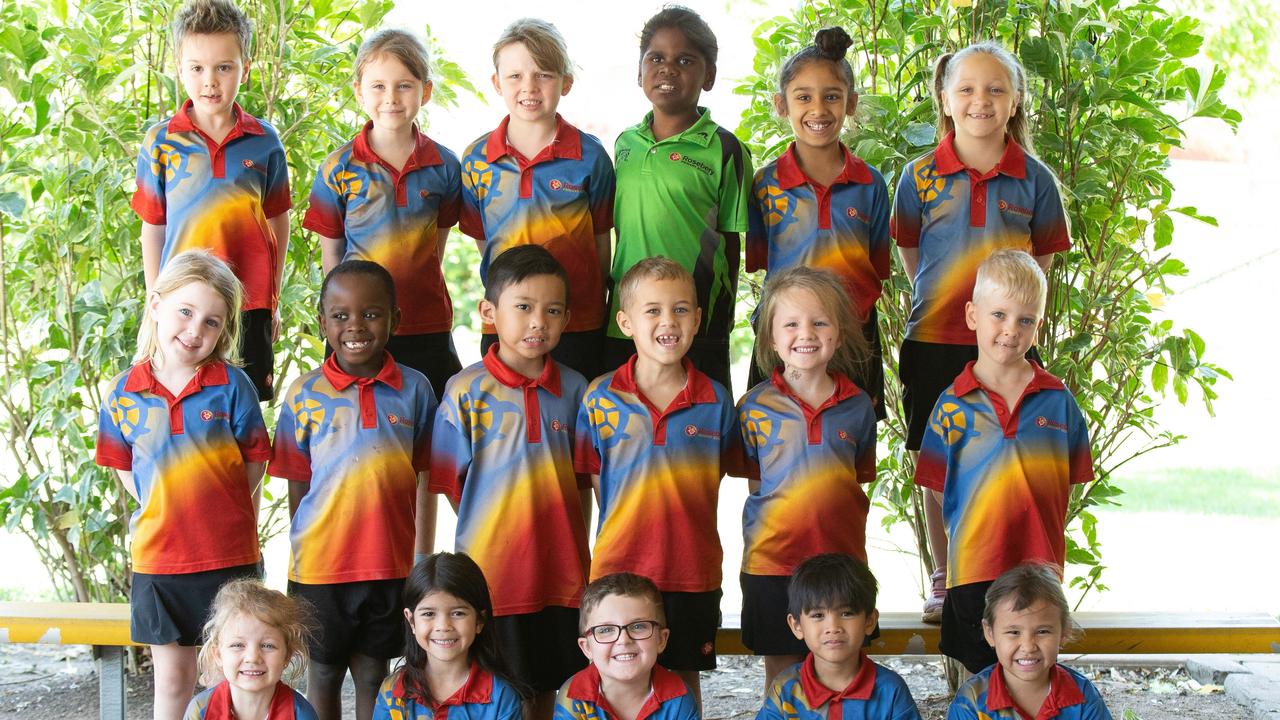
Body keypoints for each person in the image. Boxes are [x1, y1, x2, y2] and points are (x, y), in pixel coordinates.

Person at [891, 40, 1072, 622]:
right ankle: (948, 577)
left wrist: (1005, 316)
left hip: (1007, 349)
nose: (981, 101)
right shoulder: (917, 177)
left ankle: (1018, 580)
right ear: (945, 98)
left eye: (996, 89)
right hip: (934, 341)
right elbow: (912, 251)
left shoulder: (1035, 180)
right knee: (938, 463)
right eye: (967, 89)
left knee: (1006, 462)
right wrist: (954, 306)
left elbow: (1037, 267)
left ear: (1015, 100)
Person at [95, 250, 270, 720]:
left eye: (212, 322)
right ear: (156, 304)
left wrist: (223, 512)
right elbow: (126, 468)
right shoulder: (122, 392)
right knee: (173, 683)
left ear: (225, 329)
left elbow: (253, 463)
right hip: (160, 562)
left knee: (232, 684)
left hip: (228, 560)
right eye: (186, 312)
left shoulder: (233, 386)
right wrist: (169, 504)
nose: (196, 331)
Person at [269, 261, 438, 720]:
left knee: (373, 674)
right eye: (340, 316)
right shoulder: (304, 394)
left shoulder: (416, 390)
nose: (355, 326)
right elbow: (297, 484)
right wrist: (302, 552)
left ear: (395, 320)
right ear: (322, 323)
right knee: (322, 673)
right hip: (322, 568)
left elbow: (422, 474)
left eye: (371, 314)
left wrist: (420, 556)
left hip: (388, 564)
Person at [429, 245, 591, 720]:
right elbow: (453, 484)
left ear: (566, 319)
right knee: (498, 692)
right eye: (523, 307)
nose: (537, 322)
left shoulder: (579, 390)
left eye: (552, 310)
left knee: (548, 685)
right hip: (493, 577)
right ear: (488, 312)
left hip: (562, 575)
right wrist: (496, 523)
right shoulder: (465, 391)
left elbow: (583, 482)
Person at [915, 249, 1093, 676]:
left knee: (1032, 673)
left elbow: (1069, 480)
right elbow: (936, 492)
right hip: (974, 572)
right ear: (973, 315)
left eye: (1025, 319)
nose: (1011, 330)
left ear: (1039, 324)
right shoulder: (950, 405)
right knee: (984, 683)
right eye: (999, 315)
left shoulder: (1058, 401)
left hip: (1039, 572)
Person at [575, 257, 736, 708]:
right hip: (618, 569)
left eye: (682, 309)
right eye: (653, 310)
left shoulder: (716, 401)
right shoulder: (599, 398)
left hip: (692, 571)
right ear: (625, 322)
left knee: (683, 680)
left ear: (699, 318)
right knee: (614, 678)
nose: (669, 321)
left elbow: (717, 475)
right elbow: (594, 479)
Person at [132, 0, 291, 401]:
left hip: (248, 302)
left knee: (243, 411)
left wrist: (271, 301)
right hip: (184, 306)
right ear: (179, 68)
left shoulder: (265, 141)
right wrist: (158, 303)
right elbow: (153, 230)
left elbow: (277, 224)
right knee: (184, 404)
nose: (210, 81)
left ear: (245, 68)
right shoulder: (161, 142)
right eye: (197, 68)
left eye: (224, 67)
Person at [727, 267, 876, 692]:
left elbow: (858, 478)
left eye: (819, 322)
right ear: (772, 340)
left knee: (842, 671)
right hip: (773, 565)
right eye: (790, 323)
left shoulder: (859, 407)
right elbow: (754, 483)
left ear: (839, 334)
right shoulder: (753, 408)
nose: (805, 333)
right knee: (783, 675)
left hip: (842, 562)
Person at [303, 28, 463, 400]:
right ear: (359, 91)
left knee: (431, 420)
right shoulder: (338, 168)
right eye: (378, 86)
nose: (391, 98)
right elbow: (333, 257)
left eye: (404, 86)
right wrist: (340, 318)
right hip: (357, 327)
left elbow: (435, 249)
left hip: (426, 321)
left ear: (425, 90)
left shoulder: (445, 166)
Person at [603, 5, 753, 392]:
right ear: (640, 73)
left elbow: (732, 242)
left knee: (701, 424)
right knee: (625, 426)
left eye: (685, 60)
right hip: (627, 320)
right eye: (656, 58)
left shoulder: (725, 149)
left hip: (693, 323)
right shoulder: (625, 144)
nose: (668, 68)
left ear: (710, 75)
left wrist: (716, 323)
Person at [745, 27, 889, 419]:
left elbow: (876, 268)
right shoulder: (765, 184)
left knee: (851, 441)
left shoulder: (871, 184)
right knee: (775, 434)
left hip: (856, 335)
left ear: (852, 102)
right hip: (785, 335)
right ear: (781, 104)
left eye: (832, 96)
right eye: (803, 97)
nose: (819, 110)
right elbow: (764, 266)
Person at [459, 18, 614, 381]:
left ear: (566, 82)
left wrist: (595, 306)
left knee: (576, 422)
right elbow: (484, 239)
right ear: (497, 83)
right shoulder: (476, 159)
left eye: (543, 74)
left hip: (577, 321)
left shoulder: (590, 156)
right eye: (515, 76)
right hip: (506, 323)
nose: (529, 86)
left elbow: (601, 237)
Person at [758, 554, 920, 720]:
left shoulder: (890, 690)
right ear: (797, 626)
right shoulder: (785, 688)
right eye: (818, 615)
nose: (833, 627)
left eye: (846, 613)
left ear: (869, 621)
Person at [948, 564, 1112, 719]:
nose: (1028, 646)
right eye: (1014, 632)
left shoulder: (1082, 697)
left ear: (1064, 632)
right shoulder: (971, 702)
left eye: (1042, 632)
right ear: (990, 633)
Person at [373, 552, 525, 720]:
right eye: (429, 613)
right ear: (411, 621)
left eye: (458, 613)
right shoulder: (392, 692)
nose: (443, 626)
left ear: (479, 621)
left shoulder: (501, 697)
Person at [554, 573, 697, 720]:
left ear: (661, 639)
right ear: (587, 648)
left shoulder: (679, 698)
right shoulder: (572, 697)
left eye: (638, 626)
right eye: (606, 629)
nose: (624, 640)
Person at [184, 579, 318, 720]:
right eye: (238, 645)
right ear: (218, 655)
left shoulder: (300, 714)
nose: (253, 657)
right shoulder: (200, 710)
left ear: (287, 656)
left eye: (267, 645)